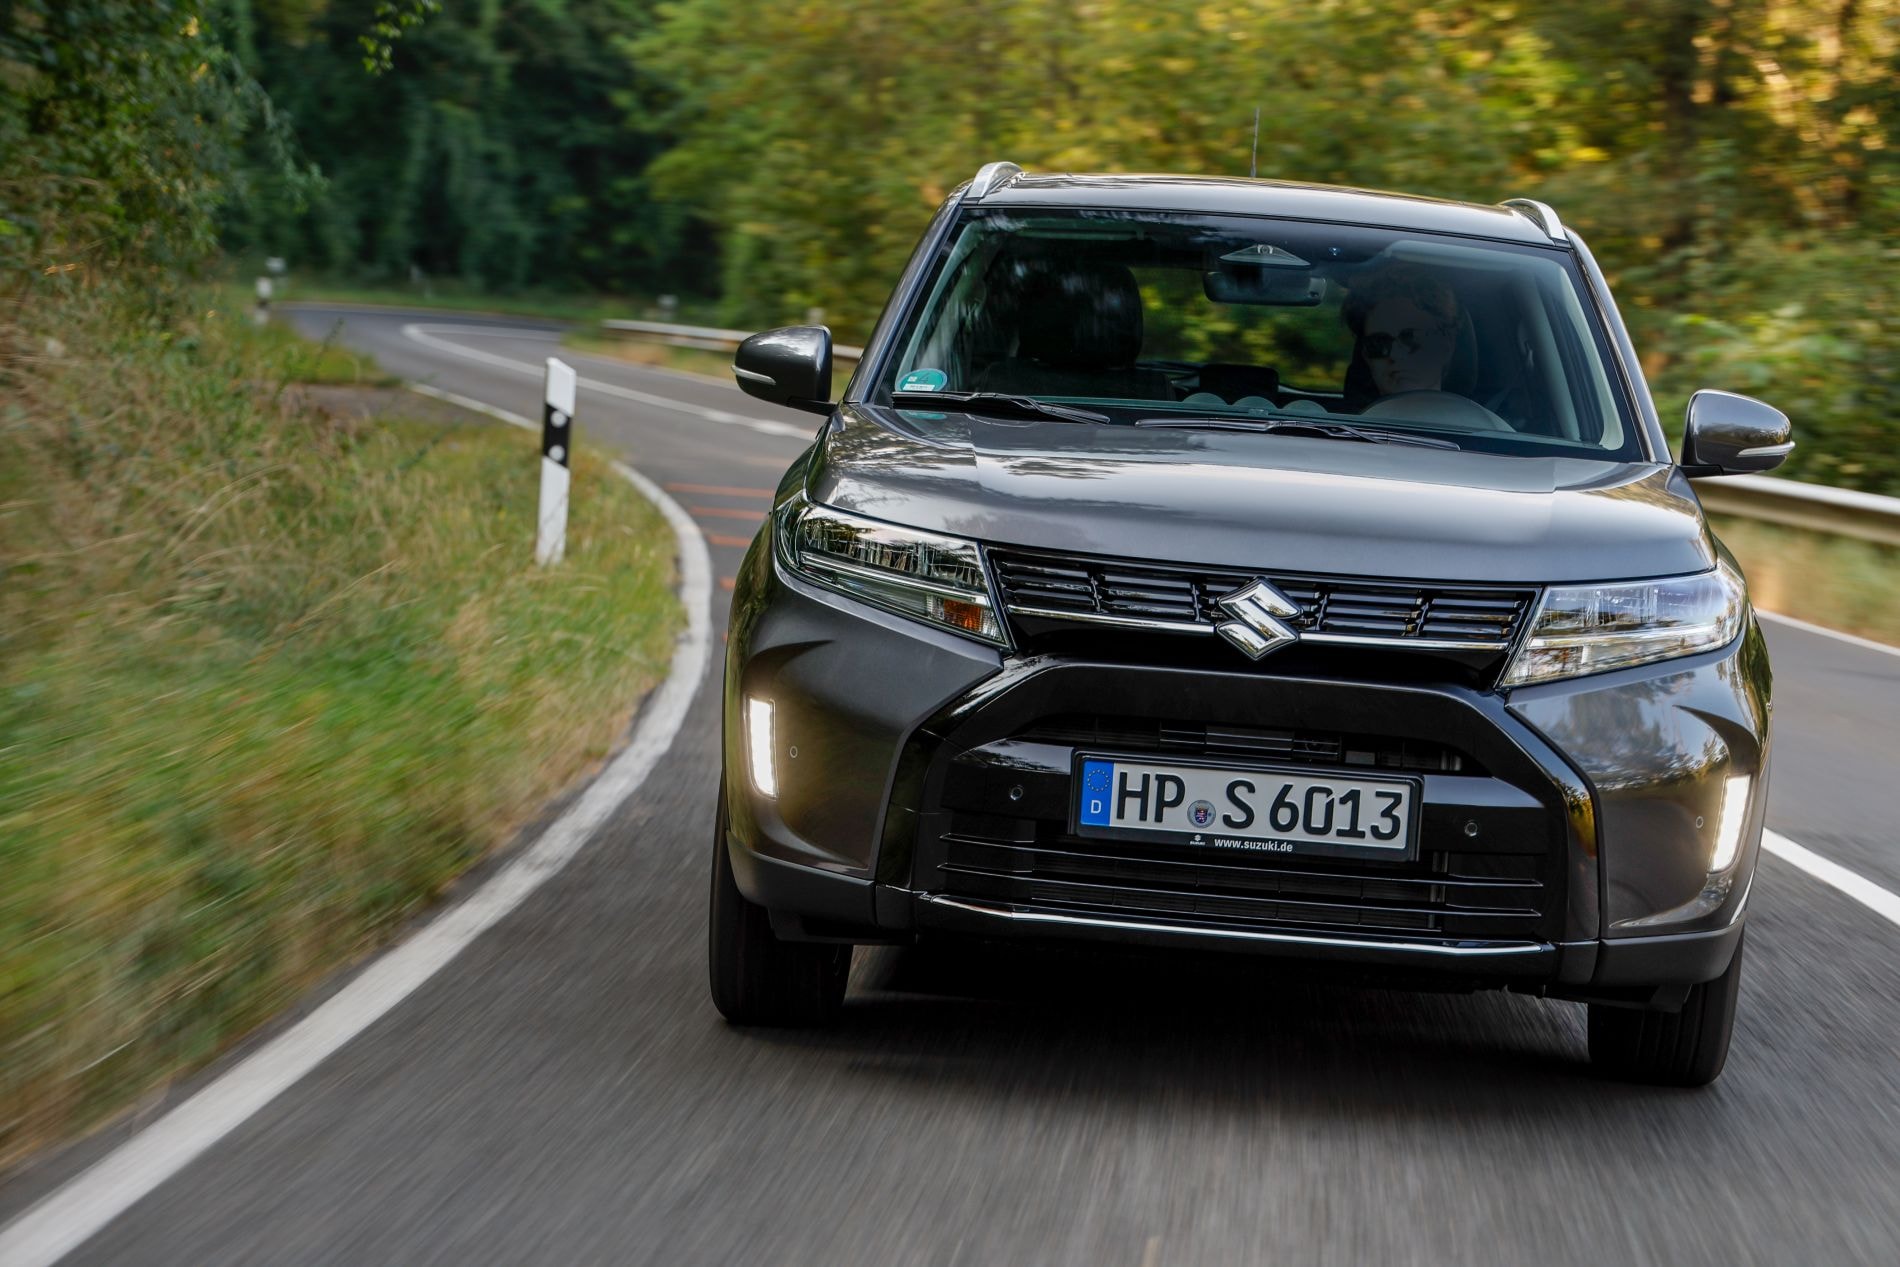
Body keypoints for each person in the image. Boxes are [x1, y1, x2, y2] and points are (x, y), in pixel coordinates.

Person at [1340, 264, 1464, 411]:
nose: (1395, 354)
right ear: (1365, 356)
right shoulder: (1338, 424)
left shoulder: (1480, 424)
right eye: (1378, 344)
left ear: (1445, 346)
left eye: (1412, 337)